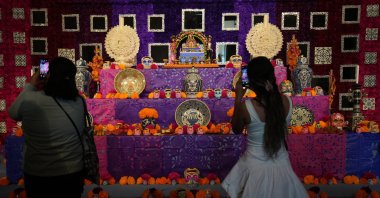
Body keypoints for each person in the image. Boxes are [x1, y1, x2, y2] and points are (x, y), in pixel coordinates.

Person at [222, 56, 308, 198]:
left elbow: (236, 129)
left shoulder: (246, 107)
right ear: (271, 76)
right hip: (282, 167)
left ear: (250, 81)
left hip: (254, 169)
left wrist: (238, 97)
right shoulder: (287, 101)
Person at [8, 57, 85, 198]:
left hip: (38, 174)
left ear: (47, 75)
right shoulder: (80, 102)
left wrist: (31, 85)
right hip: (73, 172)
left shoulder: (30, 99)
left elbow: (13, 113)